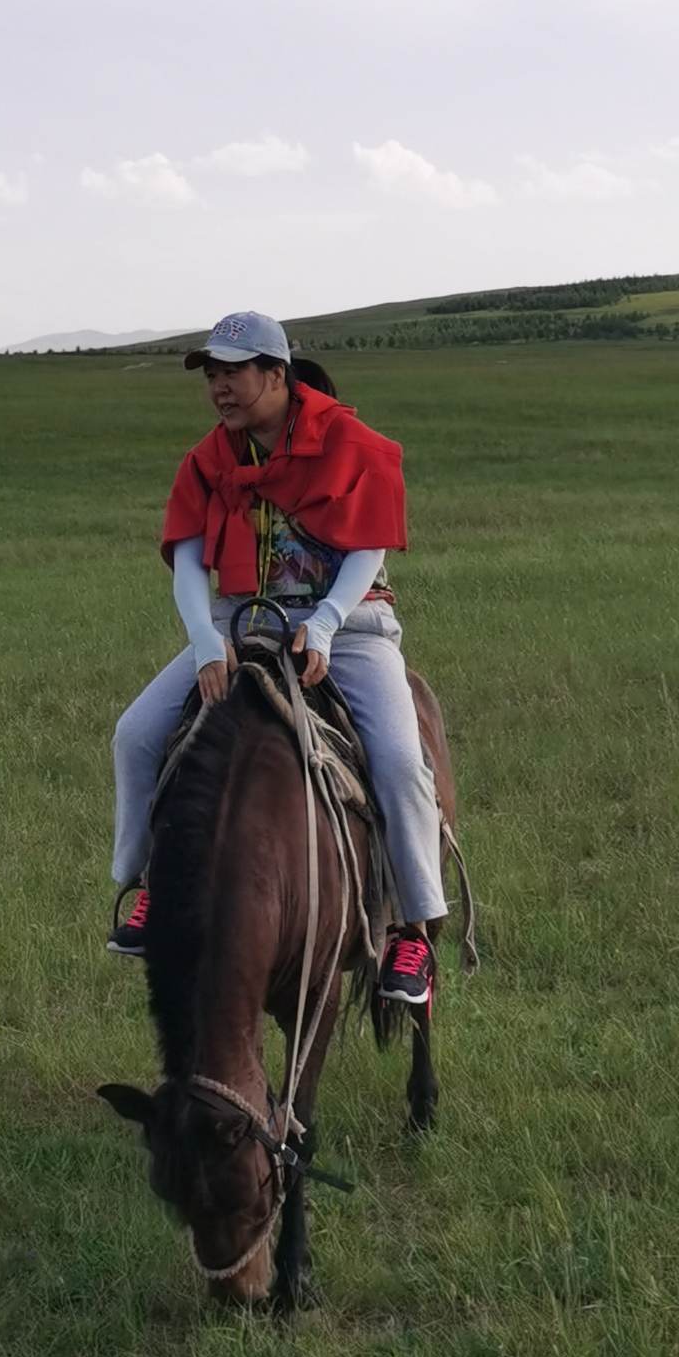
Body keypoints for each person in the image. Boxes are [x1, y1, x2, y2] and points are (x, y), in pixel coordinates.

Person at [107, 309, 446, 1005]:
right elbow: (189, 559)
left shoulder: (351, 443)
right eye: (212, 375)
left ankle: (412, 928)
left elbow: (369, 545)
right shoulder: (211, 457)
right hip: (242, 623)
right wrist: (206, 640)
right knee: (137, 735)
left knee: (401, 761)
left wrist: (323, 623)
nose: (220, 389)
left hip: (347, 627)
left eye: (233, 373)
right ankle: (145, 887)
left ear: (276, 374)